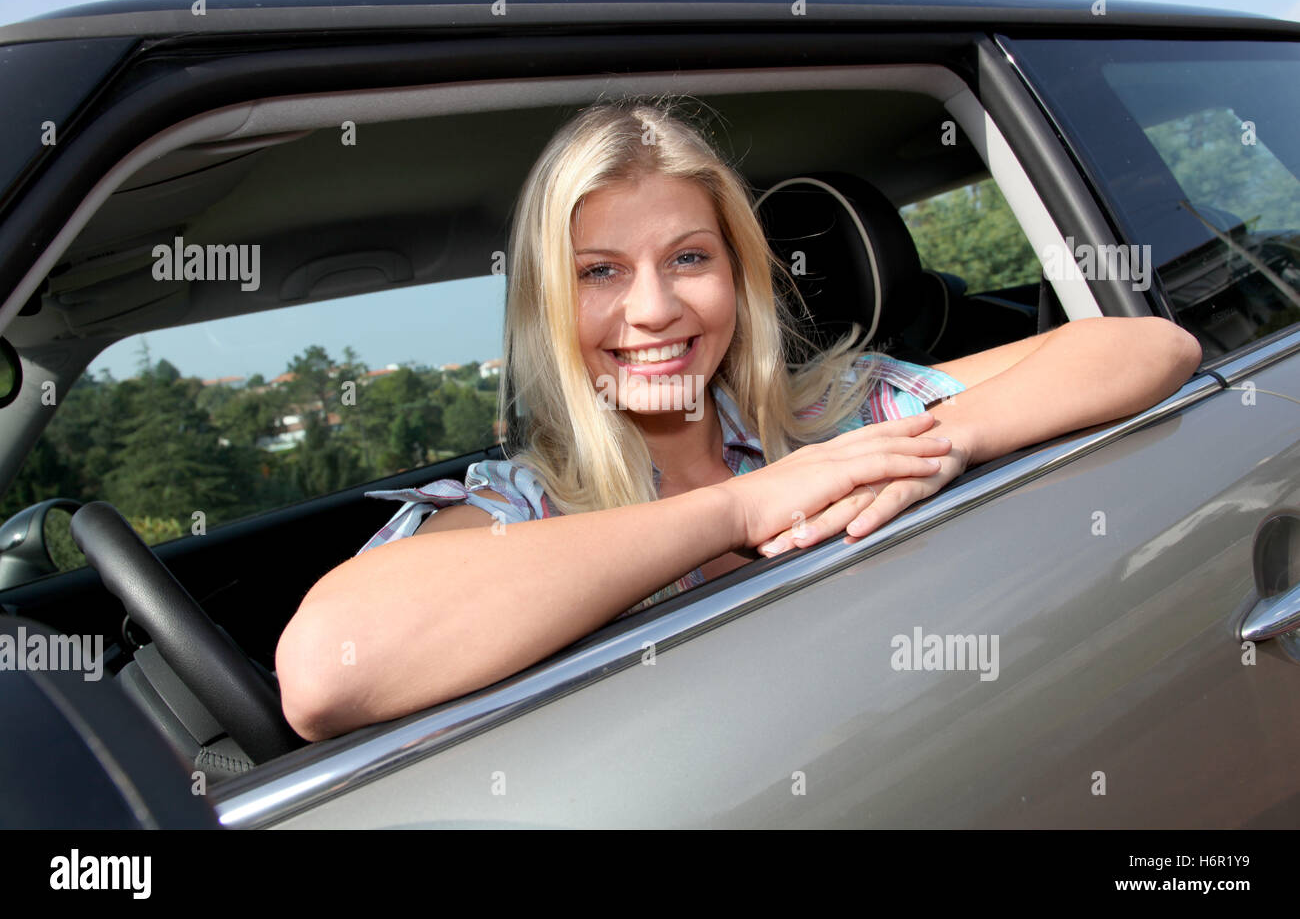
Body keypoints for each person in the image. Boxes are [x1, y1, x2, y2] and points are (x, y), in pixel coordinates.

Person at [276, 95, 1202, 742]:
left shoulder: (840, 409)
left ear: (740, 275)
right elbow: (325, 674)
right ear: (548, 305)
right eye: (600, 272)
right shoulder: (524, 507)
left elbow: (1151, 350)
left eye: (688, 258)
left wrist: (943, 441)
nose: (653, 310)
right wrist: (742, 510)